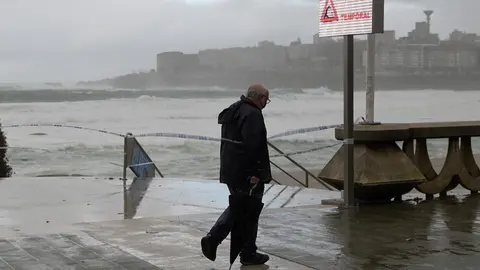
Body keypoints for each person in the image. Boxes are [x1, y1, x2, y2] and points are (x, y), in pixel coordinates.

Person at [201, 84, 272, 266]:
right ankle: (215, 238)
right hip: (247, 173)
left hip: (231, 169)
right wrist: (256, 173)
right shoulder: (253, 114)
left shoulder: (235, 109)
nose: (266, 103)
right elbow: (254, 146)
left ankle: (247, 251)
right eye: (266, 99)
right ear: (258, 97)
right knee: (247, 209)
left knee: (244, 209)